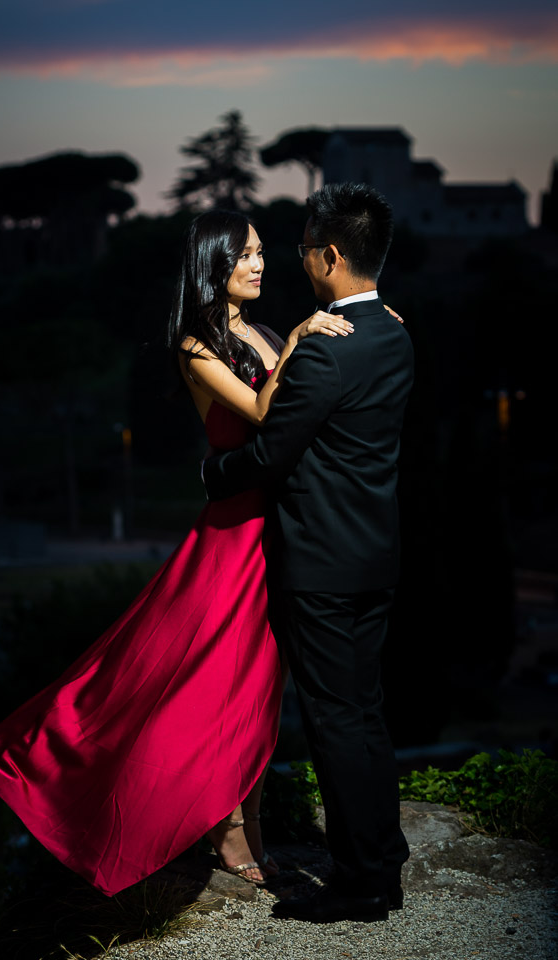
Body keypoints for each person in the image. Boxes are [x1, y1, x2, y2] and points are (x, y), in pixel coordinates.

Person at [0, 208, 350, 896]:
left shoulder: (255, 332)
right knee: (198, 682)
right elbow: (263, 417)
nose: (261, 264)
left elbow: (297, 413)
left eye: (261, 253)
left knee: (260, 691)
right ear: (215, 264)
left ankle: (248, 827)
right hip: (232, 536)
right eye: (247, 255)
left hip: (275, 525)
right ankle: (218, 829)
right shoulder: (195, 346)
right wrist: (297, 336)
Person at [203, 182, 415, 924]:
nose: (294, 262)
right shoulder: (393, 333)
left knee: (334, 721)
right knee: (364, 712)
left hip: (320, 563)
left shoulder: (328, 352)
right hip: (373, 557)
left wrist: (208, 473)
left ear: (328, 255)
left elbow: (267, 454)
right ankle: (382, 863)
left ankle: (360, 885)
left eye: (298, 250)